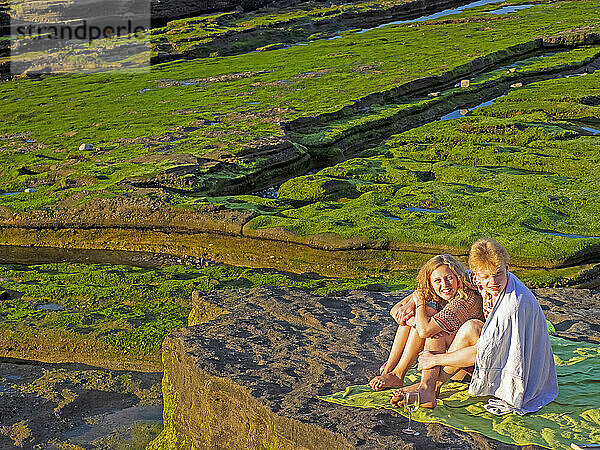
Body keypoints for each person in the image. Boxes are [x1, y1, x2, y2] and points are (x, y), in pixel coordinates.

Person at [391, 238, 558, 414]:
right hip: (488, 348)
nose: (492, 281)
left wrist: (435, 359)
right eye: (486, 276)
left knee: (471, 327)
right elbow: (448, 276)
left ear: (507, 269)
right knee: (438, 334)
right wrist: (413, 302)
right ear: (478, 275)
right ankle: (426, 387)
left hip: (514, 358)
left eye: (498, 274)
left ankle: (430, 387)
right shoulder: (475, 279)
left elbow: (484, 351)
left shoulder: (512, 305)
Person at [369, 254, 483, 391]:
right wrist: (412, 313)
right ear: (430, 282)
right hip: (445, 357)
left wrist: (419, 305)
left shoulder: (464, 301)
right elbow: (395, 310)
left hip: (461, 367)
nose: (444, 285)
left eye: (449, 278)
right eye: (437, 280)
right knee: (421, 315)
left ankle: (399, 375)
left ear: (458, 278)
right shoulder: (438, 290)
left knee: (427, 320)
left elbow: (425, 331)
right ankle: (390, 370)